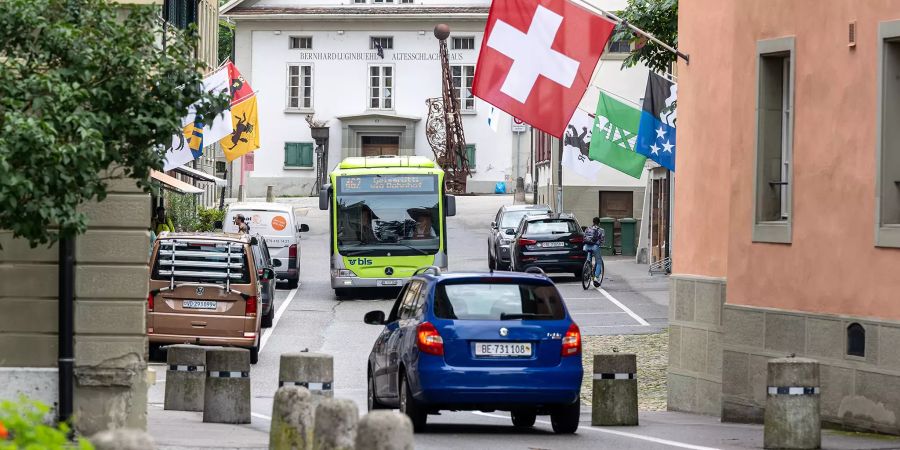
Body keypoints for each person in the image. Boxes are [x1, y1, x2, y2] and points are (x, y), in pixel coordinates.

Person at [583, 217, 605, 287]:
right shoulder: (601, 230)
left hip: (586, 246)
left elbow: (584, 237)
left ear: (592, 222)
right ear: (599, 223)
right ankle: (596, 277)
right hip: (595, 247)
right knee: (598, 261)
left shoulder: (588, 228)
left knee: (588, 259)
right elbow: (602, 240)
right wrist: (600, 244)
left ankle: (587, 270)